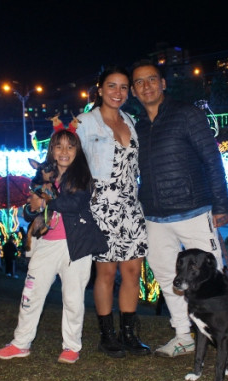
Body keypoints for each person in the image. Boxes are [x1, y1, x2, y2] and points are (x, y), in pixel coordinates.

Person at [130, 60, 228, 357]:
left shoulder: (188, 114)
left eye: (152, 79)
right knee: (165, 275)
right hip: (154, 216)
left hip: (195, 210)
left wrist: (221, 205)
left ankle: (223, 336)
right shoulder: (137, 128)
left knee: (213, 275)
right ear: (134, 91)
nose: (146, 86)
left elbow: (213, 160)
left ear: (163, 84)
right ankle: (183, 335)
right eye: (139, 82)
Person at [0, 129, 108, 364]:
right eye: (59, 146)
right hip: (45, 244)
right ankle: (20, 343)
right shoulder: (41, 176)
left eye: (70, 146)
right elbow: (29, 212)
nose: (64, 152)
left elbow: (74, 203)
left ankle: (71, 347)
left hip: (75, 246)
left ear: (78, 151)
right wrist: (32, 207)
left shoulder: (83, 177)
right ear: (52, 150)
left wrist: (46, 199)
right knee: (31, 295)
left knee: (73, 299)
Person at [76, 65, 151, 358]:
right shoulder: (84, 122)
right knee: (105, 273)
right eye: (111, 86)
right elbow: (68, 159)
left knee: (132, 271)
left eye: (123, 87)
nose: (117, 93)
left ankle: (129, 335)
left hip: (131, 204)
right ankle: (107, 337)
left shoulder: (130, 120)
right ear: (99, 89)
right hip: (101, 205)